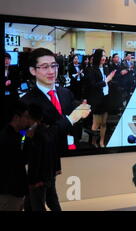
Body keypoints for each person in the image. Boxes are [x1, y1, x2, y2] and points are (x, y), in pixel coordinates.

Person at [20, 48, 91, 192]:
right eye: (45, 67)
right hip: (45, 164)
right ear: (33, 71)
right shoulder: (26, 103)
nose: (51, 71)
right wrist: (71, 119)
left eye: (54, 65)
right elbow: (35, 138)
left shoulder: (65, 93)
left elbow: (75, 125)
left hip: (71, 155)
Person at [0, 101, 40, 211]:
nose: (28, 121)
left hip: (14, 191)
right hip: (9, 192)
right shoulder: (8, 138)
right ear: (17, 117)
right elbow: (20, 161)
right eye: (26, 116)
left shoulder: (15, 135)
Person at [23, 104, 61, 211]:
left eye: (26, 116)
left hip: (38, 179)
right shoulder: (48, 131)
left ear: (29, 117)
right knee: (50, 202)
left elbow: (36, 158)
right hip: (48, 175)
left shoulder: (35, 135)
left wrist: (33, 181)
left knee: (37, 206)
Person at [87, 49, 116, 148]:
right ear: (97, 57)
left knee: (104, 123)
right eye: (102, 56)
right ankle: (93, 142)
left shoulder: (105, 68)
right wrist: (107, 80)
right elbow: (93, 85)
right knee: (96, 123)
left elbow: (108, 82)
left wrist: (111, 80)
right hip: (97, 100)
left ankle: (102, 142)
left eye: (104, 56)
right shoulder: (91, 70)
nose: (104, 58)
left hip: (106, 98)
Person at [4, 52, 21, 130]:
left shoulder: (14, 69)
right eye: (5, 59)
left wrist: (11, 82)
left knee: (14, 115)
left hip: (13, 96)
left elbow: (18, 81)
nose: (6, 61)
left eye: (8, 59)